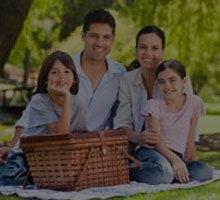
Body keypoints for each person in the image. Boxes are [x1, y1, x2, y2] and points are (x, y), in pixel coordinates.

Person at [0, 9, 125, 164]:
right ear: (83, 36)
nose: (100, 43)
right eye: (94, 36)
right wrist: (12, 147)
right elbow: (32, 111)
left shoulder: (120, 74)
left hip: (93, 151)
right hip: (56, 149)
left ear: (112, 40)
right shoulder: (63, 70)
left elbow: (120, 116)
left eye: (106, 37)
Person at [113, 25, 195, 184]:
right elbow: (122, 124)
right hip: (144, 150)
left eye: (155, 48)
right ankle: (129, 169)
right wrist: (138, 137)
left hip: (174, 148)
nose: (148, 53)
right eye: (143, 47)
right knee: (163, 174)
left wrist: (190, 146)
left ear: (163, 51)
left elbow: (190, 117)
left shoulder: (178, 80)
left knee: (201, 172)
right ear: (135, 50)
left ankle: (165, 169)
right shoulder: (127, 80)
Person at [0, 50, 81, 185]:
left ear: (75, 78)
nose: (61, 76)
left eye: (67, 71)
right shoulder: (40, 100)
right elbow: (60, 133)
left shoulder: (78, 102)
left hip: (49, 157)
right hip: (26, 154)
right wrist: (66, 97)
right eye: (54, 72)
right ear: (45, 80)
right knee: (12, 180)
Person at [135, 59, 213, 184]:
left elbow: (191, 134)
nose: (167, 87)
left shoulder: (195, 102)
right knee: (163, 175)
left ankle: (171, 173)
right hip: (153, 151)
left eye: (172, 80)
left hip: (177, 154)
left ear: (183, 81)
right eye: (161, 82)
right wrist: (176, 160)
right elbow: (156, 142)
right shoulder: (154, 106)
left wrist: (189, 153)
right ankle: (133, 168)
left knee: (205, 172)